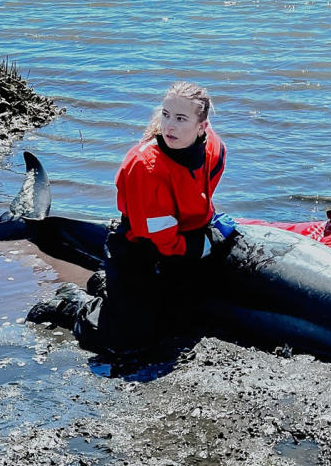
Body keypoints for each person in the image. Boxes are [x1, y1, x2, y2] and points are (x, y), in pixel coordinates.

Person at [27, 81, 238, 354]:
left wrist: (208, 224)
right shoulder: (145, 167)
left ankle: (104, 284)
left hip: (184, 237)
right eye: (165, 114)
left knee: (184, 319)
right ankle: (72, 304)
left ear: (202, 126)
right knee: (127, 341)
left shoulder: (215, 149)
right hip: (142, 247)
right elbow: (165, 243)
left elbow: (201, 193)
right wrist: (209, 242)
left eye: (180, 118)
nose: (169, 125)